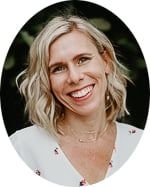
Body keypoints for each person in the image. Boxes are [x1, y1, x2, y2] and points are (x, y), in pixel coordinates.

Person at [10, 15, 143, 186]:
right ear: (46, 81)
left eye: (83, 59)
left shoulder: (139, 143)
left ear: (106, 61)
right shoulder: (21, 149)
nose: (74, 77)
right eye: (58, 69)